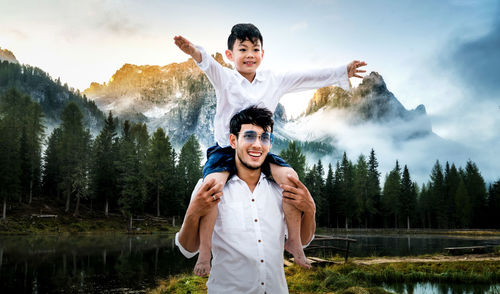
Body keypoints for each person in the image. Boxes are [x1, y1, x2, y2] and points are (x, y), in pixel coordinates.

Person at [174, 23, 366, 276]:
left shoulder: (274, 80)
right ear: (230, 55)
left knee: (292, 180)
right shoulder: (226, 77)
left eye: (255, 49)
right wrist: (193, 51)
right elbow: (207, 62)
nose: (250, 54)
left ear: (262, 54)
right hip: (225, 151)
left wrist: (344, 70)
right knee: (212, 188)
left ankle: (295, 243)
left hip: (259, 151)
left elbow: (307, 77)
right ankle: (206, 254)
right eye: (243, 49)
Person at [176, 106, 316, 293]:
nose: (257, 145)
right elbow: (187, 249)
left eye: (264, 137)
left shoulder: (281, 188)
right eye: (249, 136)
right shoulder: (209, 187)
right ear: (233, 141)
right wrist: (193, 211)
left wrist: (311, 210)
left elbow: (304, 240)